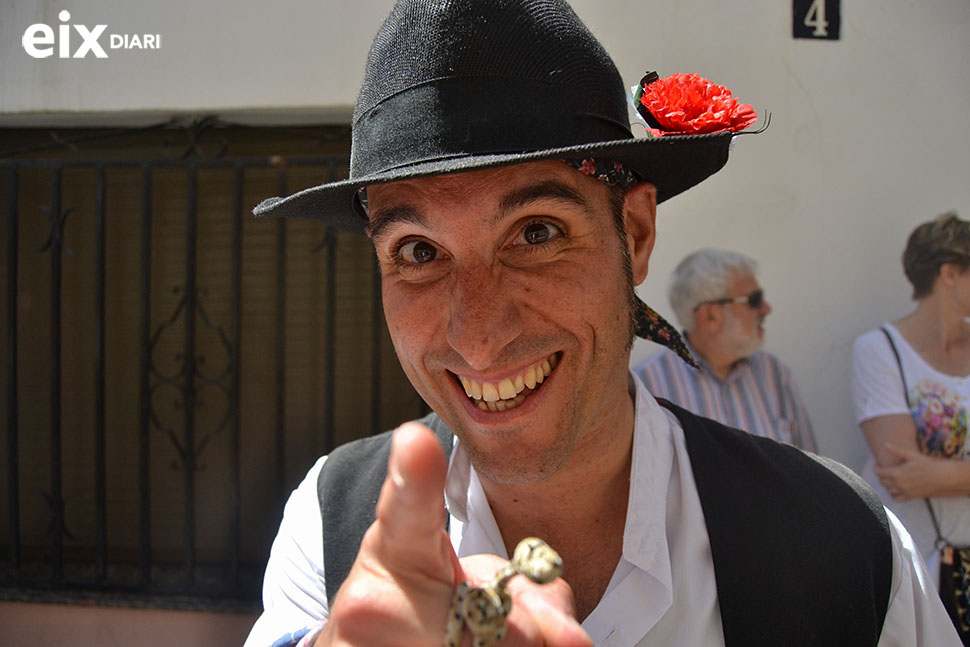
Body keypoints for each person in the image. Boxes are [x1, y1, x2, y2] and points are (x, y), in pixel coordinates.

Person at [245, 1, 957, 645]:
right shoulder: (329, 521)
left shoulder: (845, 544)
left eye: (536, 233)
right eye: (419, 252)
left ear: (636, 234)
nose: (479, 335)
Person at [852, 211, 970, 643]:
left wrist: (936, 473)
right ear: (951, 273)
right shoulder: (880, 350)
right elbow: (900, 474)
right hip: (917, 567)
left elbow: (921, 472)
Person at [634, 249, 816, 450]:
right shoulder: (648, 387)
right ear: (710, 316)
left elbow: (811, 470)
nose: (766, 308)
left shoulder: (774, 373)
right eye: (755, 299)